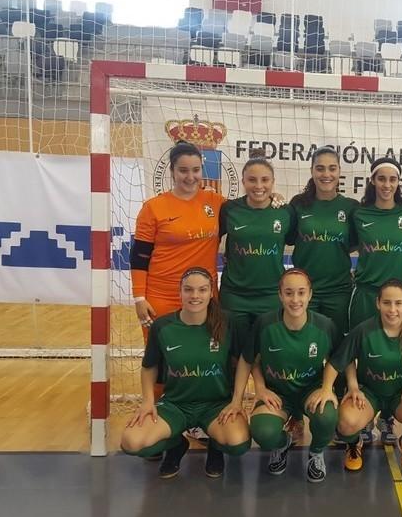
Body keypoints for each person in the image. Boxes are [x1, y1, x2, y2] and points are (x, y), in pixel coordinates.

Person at [120, 267, 251, 479]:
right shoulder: (163, 326)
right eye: (188, 290)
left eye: (202, 290)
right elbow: (149, 366)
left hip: (216, 405)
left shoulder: (229, 323)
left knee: (237, 443)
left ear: (211, 293)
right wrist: (147, 401)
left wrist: (236, 401)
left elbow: (244, 362)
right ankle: (176, 444)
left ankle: (215, 447)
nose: (195, 296)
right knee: (132, 442)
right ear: (179, 292)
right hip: (176, 404)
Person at [309, 279, 402, 473]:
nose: (392, 309)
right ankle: (354, 444)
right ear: (378, 303)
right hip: (369, 393)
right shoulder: (364, 330)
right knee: (345, 424)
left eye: (398, 303)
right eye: (387, 303)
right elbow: (339, 360)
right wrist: (343, 387)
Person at [223, 269, 340, 482]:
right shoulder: (265, 324)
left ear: (310, 295)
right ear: (279, 295)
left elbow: (340, 359)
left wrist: (327, 388)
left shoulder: (324, 325)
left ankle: (316, 452)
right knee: (264, 432)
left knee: (328, 416)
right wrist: (254, 391)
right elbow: (248, 360)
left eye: (301, 293)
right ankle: (282, 443)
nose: (295, 299)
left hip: (309, 391)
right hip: (277, 394)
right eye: (289, 293)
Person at [130, 140, 225, 333]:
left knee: (202, 355)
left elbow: (249, 211)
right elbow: (139, 256)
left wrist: (273, 197)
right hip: (162, 296)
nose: (190, 177)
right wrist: (139, 298)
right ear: (172, 171)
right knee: (160, 358)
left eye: (196, 170)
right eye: (183, 170)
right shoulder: (153, 207)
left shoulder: (217, 202)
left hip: (204, 295)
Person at [218, 152, 296, 336]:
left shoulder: (285, 211)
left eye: (265, 180)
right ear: (243, 181)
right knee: (235, 355)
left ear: (273, 182)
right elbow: (211, 240)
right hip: (234, 297)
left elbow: (293, 240)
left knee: (267, 354)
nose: (259, 186)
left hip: (271, 296)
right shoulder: (229, 209)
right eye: (252, 180)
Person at [288, 147, 359, 338]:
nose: (326, 174)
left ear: (339, 171)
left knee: (336, 347)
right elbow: (286, 237)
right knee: (305, 344)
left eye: (332, 168)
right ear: (312, 171)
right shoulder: (298, 204)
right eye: (320, 168)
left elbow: (354, 243)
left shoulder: (351, 207)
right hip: (303, 291)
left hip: (339, 292)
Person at [349, 157, 402, 330]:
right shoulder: (359, 214)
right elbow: (350, 245)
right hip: (366, 294)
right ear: (372, 180)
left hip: (397, 298)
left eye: (392, 179)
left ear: (398, 182)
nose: (387, 185)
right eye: (381, 179)